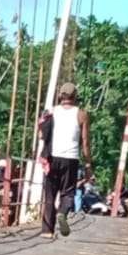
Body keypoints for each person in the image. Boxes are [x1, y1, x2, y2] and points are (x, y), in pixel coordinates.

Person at [40, 82, 92, 238]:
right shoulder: (81, 114)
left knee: (50, 194)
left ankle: (47, 231)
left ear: (60, 95)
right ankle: (62, 212)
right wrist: (88, 164)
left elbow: (41, 134)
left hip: (51, 156)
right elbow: (85, 142)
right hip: (71, 159)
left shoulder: (50, 112)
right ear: (75, 96)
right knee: (68, 193)